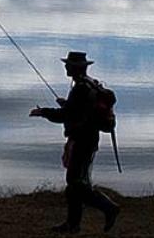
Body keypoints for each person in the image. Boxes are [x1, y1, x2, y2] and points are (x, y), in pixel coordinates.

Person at [30, 51, 120, 234]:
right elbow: (79, 111)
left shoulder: (81, 89)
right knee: (75, 182)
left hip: (83, 141)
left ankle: (108, 207)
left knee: (77, 183)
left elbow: (66, 116)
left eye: (68, 64)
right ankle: (72, 224)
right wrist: (67, 104)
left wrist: (44, 112)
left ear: (75, 67)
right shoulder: (90, 84)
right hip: (87, 139)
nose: (66, 67)